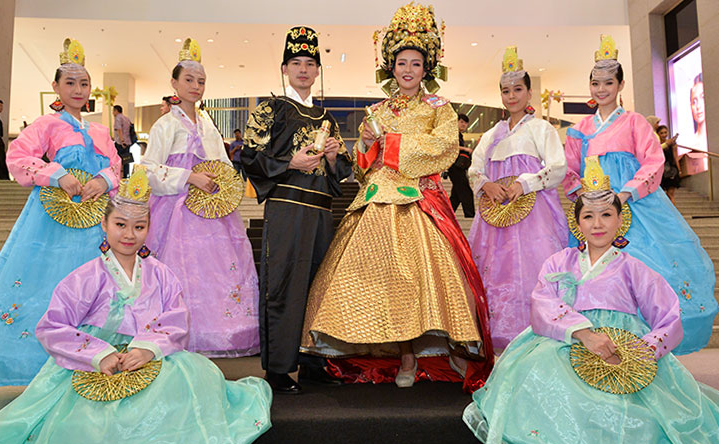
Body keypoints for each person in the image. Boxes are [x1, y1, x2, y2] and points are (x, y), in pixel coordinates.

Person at [0, 171, 272, 444]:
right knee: (89, 422)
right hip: (96, 359)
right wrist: (99, 353)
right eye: (120, 224)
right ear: (104, 224)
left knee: (191, 378)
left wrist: (147, 348)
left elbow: (175, 318)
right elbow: (52, 326)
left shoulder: (161, 274)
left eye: (139, 226)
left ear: (148, 229)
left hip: (147, 353)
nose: (129, 234)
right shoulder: (83, 277)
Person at [458, 165, 719, 444]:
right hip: (566, 341)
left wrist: (642, 350)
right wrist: (583, 334)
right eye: (588, 216)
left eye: (606, 214)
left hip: (623, 350)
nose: (597, 223)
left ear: (621, 219)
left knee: (640, 415)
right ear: (576, 222)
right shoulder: (559, 263)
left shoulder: (635, 269)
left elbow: (669, 317)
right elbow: (542, 304)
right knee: (540, 378)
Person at [300, 3, 492, 392]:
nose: (408, 69)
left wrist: (389, 144)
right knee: (383, 281)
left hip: (420, 199)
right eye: (402, 62)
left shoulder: (439, 108)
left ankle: (445, 348)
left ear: (427, 69)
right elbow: (362, 167)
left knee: (429, 280)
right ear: (392, 66)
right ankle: (403, 353)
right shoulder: (377, 110)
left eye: (416, 64)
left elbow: (443, 147)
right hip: (375, 201)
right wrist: (365, 147)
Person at [0, 38, 120, 386]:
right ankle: (44, 363)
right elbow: (16, 156)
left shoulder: (101, 130)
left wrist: (103, 181)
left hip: (97, 220)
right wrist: (56, 175)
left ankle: (98, 357)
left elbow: (117, 166)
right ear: (56, 87)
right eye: (70, 83)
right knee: (48, 281)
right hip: (52, 221)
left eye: (84, 83)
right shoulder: (47, 125)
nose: (78, 90)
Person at [562, 35, 717, 355]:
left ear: (620, 85)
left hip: (634, 208)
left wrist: (624, 193)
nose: (601, 89)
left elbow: (653, 162)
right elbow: (569, 171)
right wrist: (584, 197)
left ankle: (643, 346)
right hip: (594, 211)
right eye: (595, 83)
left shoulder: (634, 123)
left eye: (608, 82)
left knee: (643, 270)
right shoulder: (581, 129)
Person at [242, 26, 352, 394]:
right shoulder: (270, 109)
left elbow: (340, 176)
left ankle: (312, 361)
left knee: (318, 284)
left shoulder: (327, 118)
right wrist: (290, 162)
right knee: (284, 284)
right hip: (287, 207)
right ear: (285, 68)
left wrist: (336, 159)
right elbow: (250, 157)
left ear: (318, 70)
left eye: (310, 63)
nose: (303, 69)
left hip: (321, 210)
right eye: (296, 63)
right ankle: (277, 368)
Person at [141, 38, 259, 358]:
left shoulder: (208, 124)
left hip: (213, 211)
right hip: (175, 211)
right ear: (174, 84)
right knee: (181, 270)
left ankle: (220, 332)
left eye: (201, 81)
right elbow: (149, 169)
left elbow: (221, 164)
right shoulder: (165, 125)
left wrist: (223, 185)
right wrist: (188, 176)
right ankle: (177, 332)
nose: (195, 86)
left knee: (221, 269)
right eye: (189, 80)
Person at [467, 46, 568, 353]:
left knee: (532, 272)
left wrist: (527, 182)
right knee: (495, 275)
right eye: (506, 91)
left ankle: (538, 339)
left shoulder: (541, 129)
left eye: (518, 90)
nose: (512, 96)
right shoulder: (491, 134)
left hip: (534, 215)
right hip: (496, 217)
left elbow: (558, 167)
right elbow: (474, 168)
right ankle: (500, 345)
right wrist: (486, 185)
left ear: (529, 93)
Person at [448, 113, 474, 217]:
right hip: (455, 167)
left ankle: (447, 214)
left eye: (466, 123)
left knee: (456, 195)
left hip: (458, 167)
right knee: (466, 191)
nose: (464, 124)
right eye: (461, 122)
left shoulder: (459, 135)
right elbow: (450, 146)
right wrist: (465, 149)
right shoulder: (452, 134)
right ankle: (470, 215)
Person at [657, 124, 681, 202]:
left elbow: (675, 157)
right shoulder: (657, 145)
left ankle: (674, 213)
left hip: (671, 170)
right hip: (661, 171)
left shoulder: (672, 143)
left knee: (671, 194)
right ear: (658, 134)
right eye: (662, 133)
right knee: (663, 195)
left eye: (665, 132)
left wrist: (679, 170)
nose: (664, 135)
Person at [113, 104, 133, 178]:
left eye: (113, 111)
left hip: (120, 143)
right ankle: (126, 175)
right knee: (126, 160)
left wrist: (122, 141)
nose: (113, 113)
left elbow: (119, 129)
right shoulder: (126, 118)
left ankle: (118, 176)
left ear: (116, 111)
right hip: (128, 142)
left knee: (117, 160)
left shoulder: (118, 118)